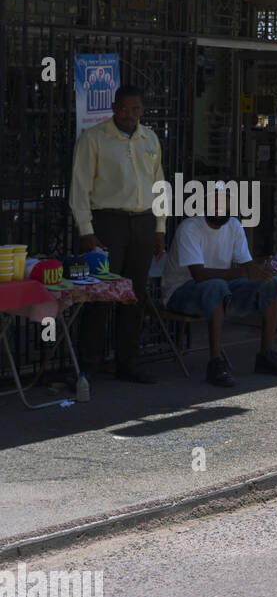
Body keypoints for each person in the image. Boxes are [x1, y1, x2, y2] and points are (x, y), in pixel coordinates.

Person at [69, 84, 166, 382]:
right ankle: (89, 364)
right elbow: (79, 188)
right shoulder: (94, 138)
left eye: (134, 109)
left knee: (135, 294)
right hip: (107, 223)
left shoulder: (149, 138)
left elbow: (159, 184)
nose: (128, 114)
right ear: (114, 107)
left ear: (142, 110)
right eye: (123, 108)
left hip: (143, 222)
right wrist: (87, 230)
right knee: (100, 293)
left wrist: (160, 229)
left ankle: (128, 362)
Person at [159, 195, 277, 388]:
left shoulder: (234, 226)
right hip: (181, 292)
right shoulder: (190, 227)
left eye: (225, 201)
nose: (220, 206)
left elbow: (246, 266)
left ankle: (266, 355)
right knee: (216, 286)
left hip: (221, 287)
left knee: (271, 285)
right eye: (215, 202)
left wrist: (263, 270)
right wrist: (244, 272)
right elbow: (199, 275)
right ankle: (215, 363)